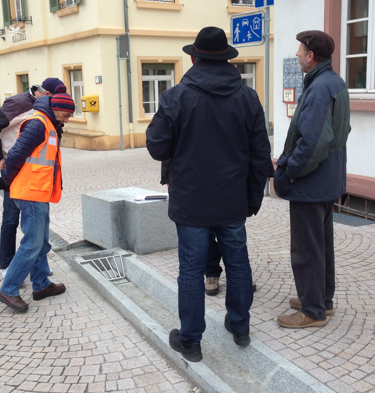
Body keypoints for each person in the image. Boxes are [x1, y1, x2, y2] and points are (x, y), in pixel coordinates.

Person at [146, 26, 273, 362]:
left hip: (191, 199)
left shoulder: (176, 96)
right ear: (227, 59)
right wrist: (253, 198)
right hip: (232, 199)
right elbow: (261, 153)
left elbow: (157, 147)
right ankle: (240, 326)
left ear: (193, 57)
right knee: (238, 262)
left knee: (191, 268)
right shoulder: (246, 97)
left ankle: (190, 340)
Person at [273, 30, 351, 329]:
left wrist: (291, 171)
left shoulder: (319, 89)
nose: (296, 54)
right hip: (328, 180)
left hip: (311, 182)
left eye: (300, 50)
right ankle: (322, 300)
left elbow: (315, 142)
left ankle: (312, 311)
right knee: (322, 245)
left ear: (311, 56)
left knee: (306, 249)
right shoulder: (335, 82)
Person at [0, 90, 75, 313]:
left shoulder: (48, 124)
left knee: (42, 240)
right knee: (32, 243)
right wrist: (8, 182)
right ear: (56, 108)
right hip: (30, 192)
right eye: (66, 115)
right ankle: (9, 290)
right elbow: (15, 155)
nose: (67, 120)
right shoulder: (39, 124)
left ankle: (41, 285)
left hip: (38, 192)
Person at [0, 78, 65, 280]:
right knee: (11, 219)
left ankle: (39, 270)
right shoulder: (18, 104)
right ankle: (7, 266)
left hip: (35, 173)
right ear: (46, 95)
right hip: (14, 167)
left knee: (37, 223)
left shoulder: (48, 112)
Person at [160, 160, 257, 296]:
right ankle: (212, 272)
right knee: (204, 235)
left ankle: (240, 275)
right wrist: (167, 176)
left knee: (234, 241)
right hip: (195, 185)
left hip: (230, 183)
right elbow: (165, 147)